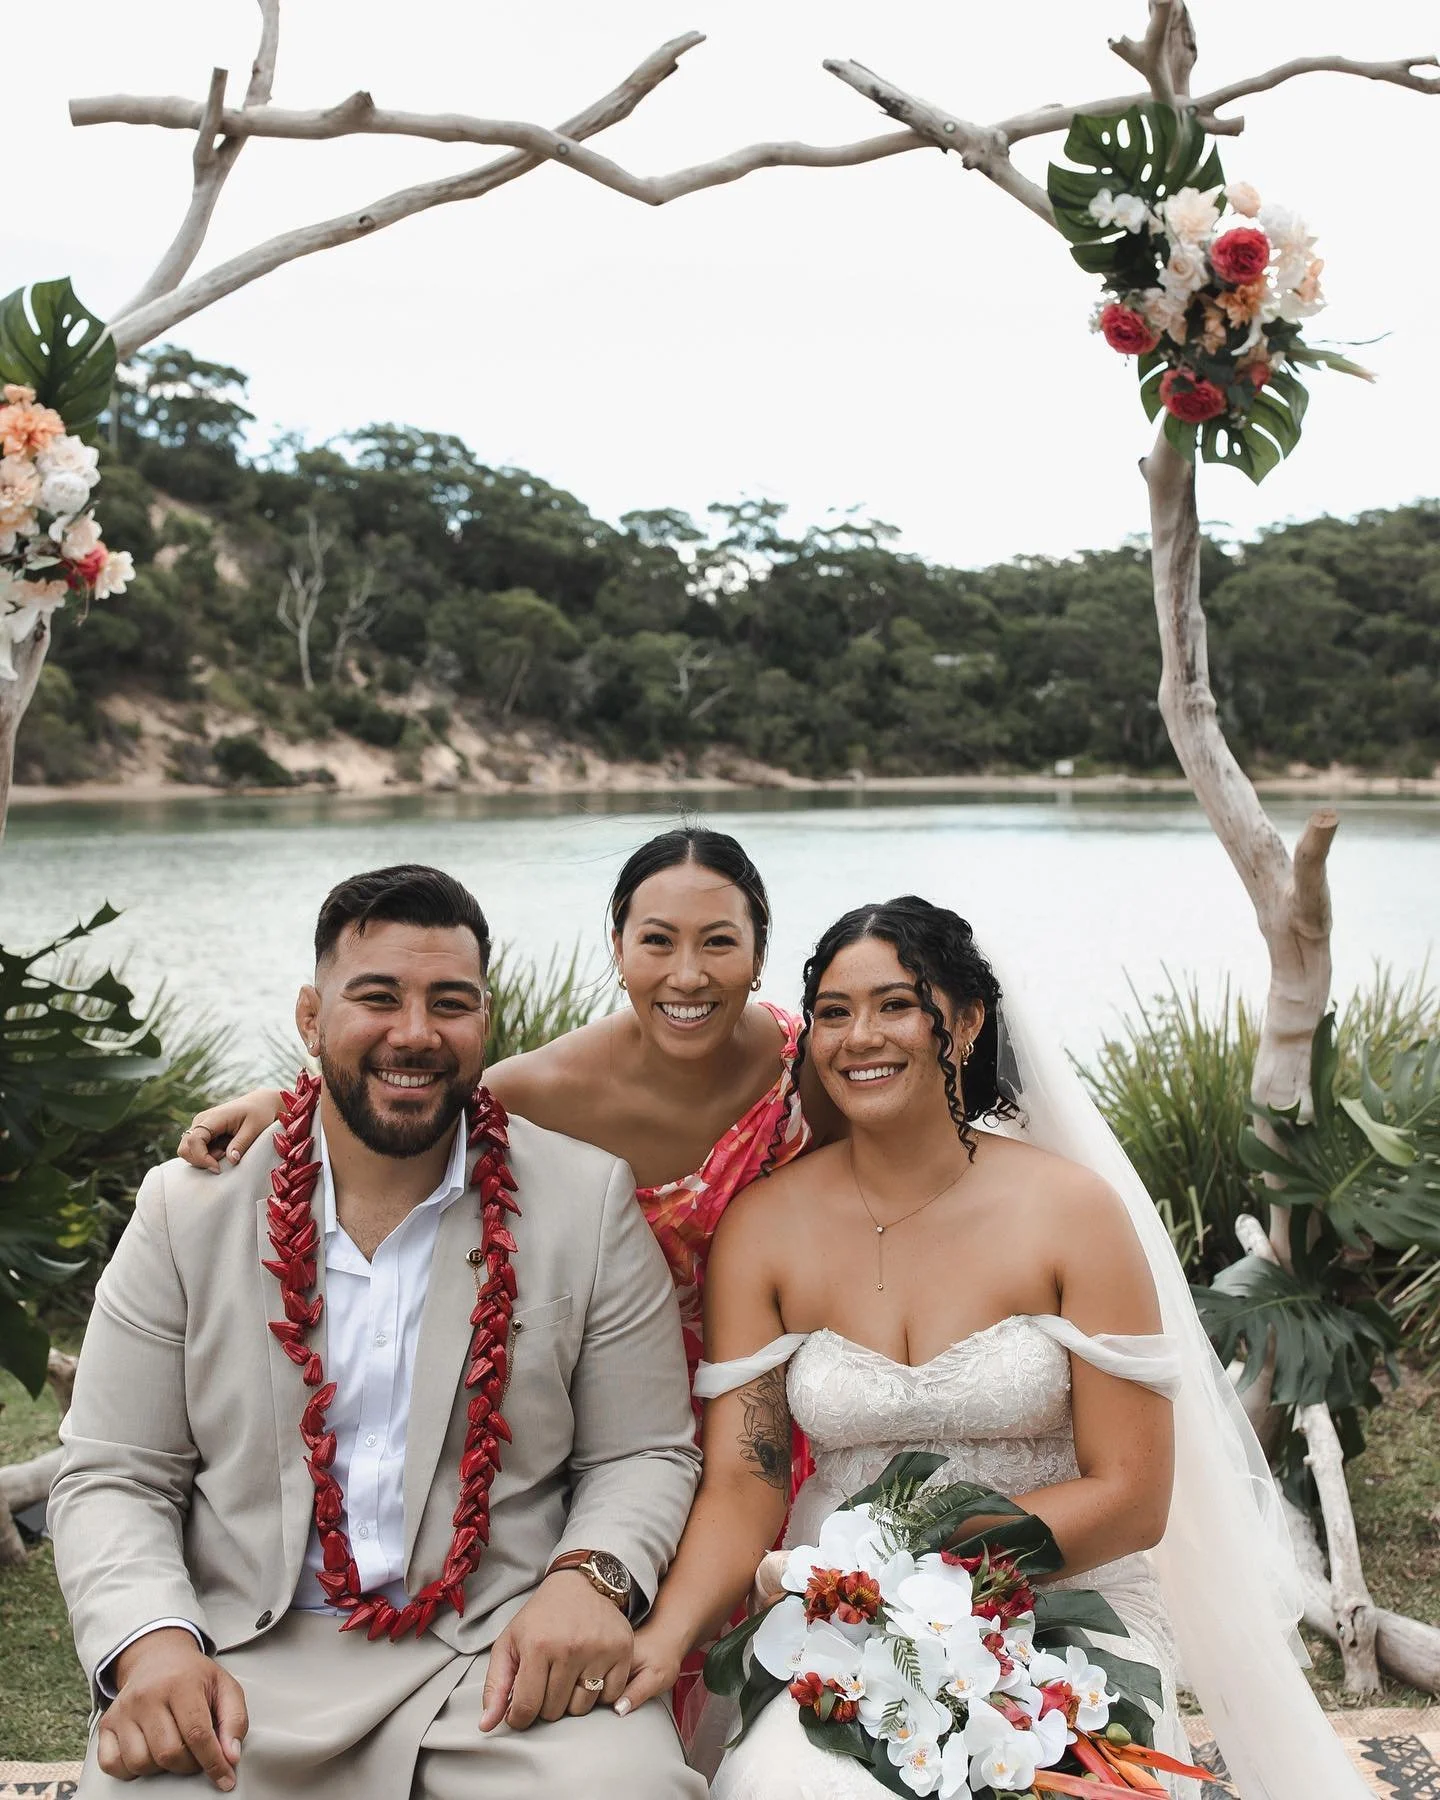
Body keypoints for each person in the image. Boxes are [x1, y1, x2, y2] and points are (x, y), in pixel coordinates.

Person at [616, 896, 1375, 1800]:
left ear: (966, 1022)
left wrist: (913, 1567)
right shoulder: (764, 1231)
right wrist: (667, 1634)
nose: (862, 1036)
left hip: (1064, 1598)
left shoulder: (1071, 1213)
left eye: (897, 1004)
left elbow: (1133, 1497)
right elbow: (747, 1481)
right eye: (833, 1012)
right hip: (842, 1626)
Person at [49, 864, 705, 1799]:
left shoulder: (585, 1201)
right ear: (311, 1019)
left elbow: (644, 1452)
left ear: (485, 1021)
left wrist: (587, 1580)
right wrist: (152, 1644)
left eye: (450, 1002)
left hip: (500, 1659)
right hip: (243, 1661)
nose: (415, 1033)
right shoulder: (188, 1210)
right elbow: (115, 1468)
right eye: (377, 998)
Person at [181, 826, 843, 1405]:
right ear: (618, 948)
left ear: (759, 954)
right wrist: (282, 1104)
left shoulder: (803, 1075)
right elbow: (407, 1107)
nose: (688, 975)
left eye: (719, 942)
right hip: (620, 1410)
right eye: (658, 941)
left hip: (794, 1394)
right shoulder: (543, 1089)